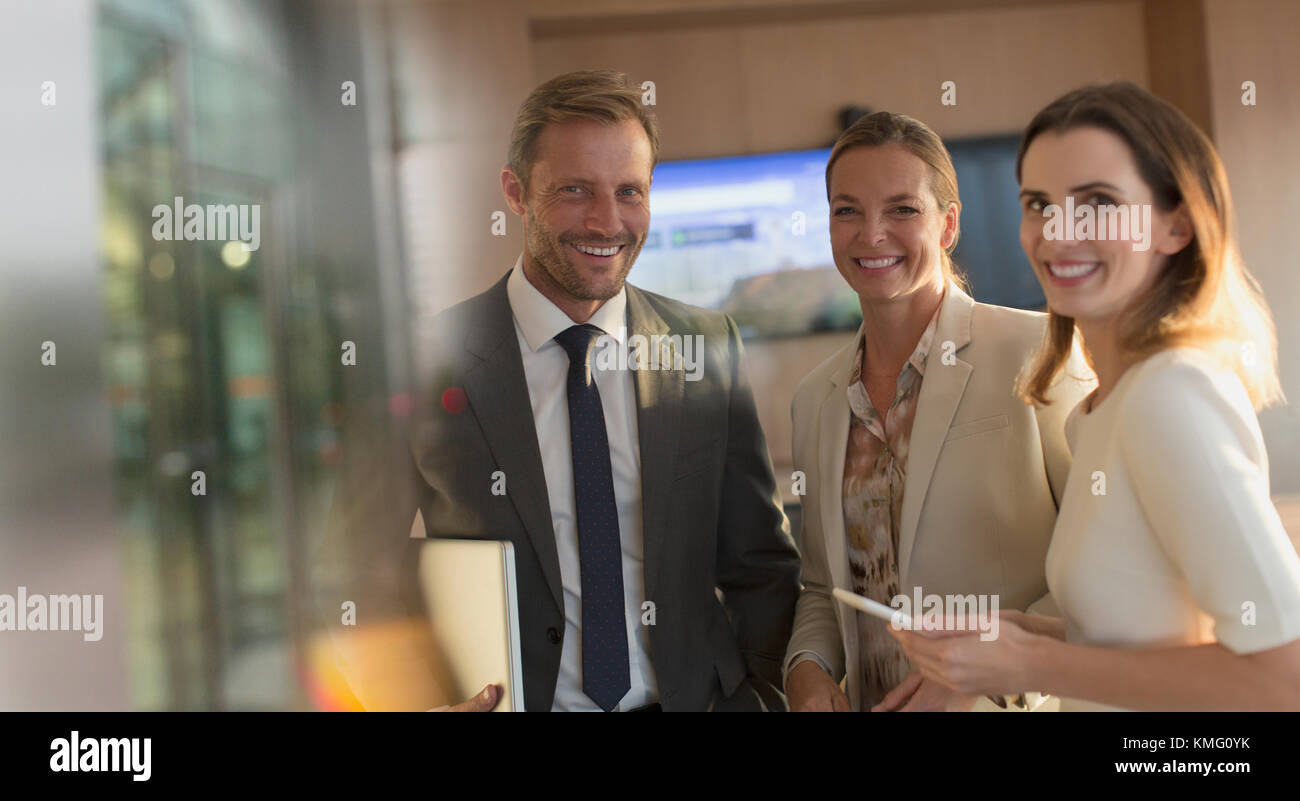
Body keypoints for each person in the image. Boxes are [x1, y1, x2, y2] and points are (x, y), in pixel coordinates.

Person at [315, 69, 800, 712]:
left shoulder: (706, 349)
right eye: (575, 190)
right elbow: (347, 573)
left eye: (630, 191)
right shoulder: (421, 365)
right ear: (515, 192)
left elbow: (760, 564)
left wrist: (760, 696)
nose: (608, 220)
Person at [892, 82, 1300, 711]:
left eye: (1099, 203)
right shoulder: (1102, 411)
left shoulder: (1171, 395)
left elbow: (1282, 680)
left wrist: (1033, 662)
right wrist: (1016, 637)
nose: (1057, 232)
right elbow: (1148, 637)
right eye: (1038, 203)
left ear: (1176, 225)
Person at [783, 111, 1093, 712]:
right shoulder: (814, 400)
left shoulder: (1038, 350)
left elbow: (1102, 565)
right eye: (847, 210)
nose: (871, 234)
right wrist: (807, 667)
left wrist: (988, 678)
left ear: (948, 224)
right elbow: (824, 589)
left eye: (902, 209)